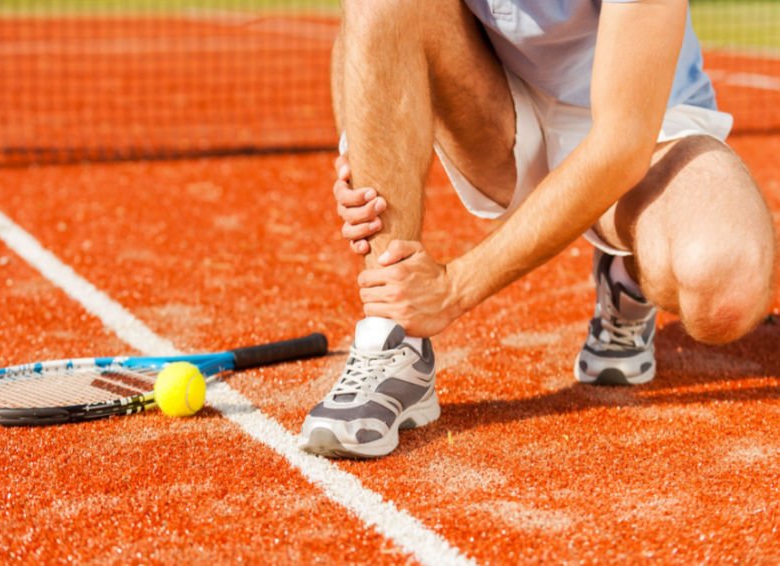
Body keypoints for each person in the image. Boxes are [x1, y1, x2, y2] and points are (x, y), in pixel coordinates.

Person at [298, 0, 777, 459]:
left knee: (723, 286)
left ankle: (627, 267)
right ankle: (392, 339)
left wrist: (452, 288)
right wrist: (359, 145)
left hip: (647, 129)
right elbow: (367, 20)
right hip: (500, 107)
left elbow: (621, 144)